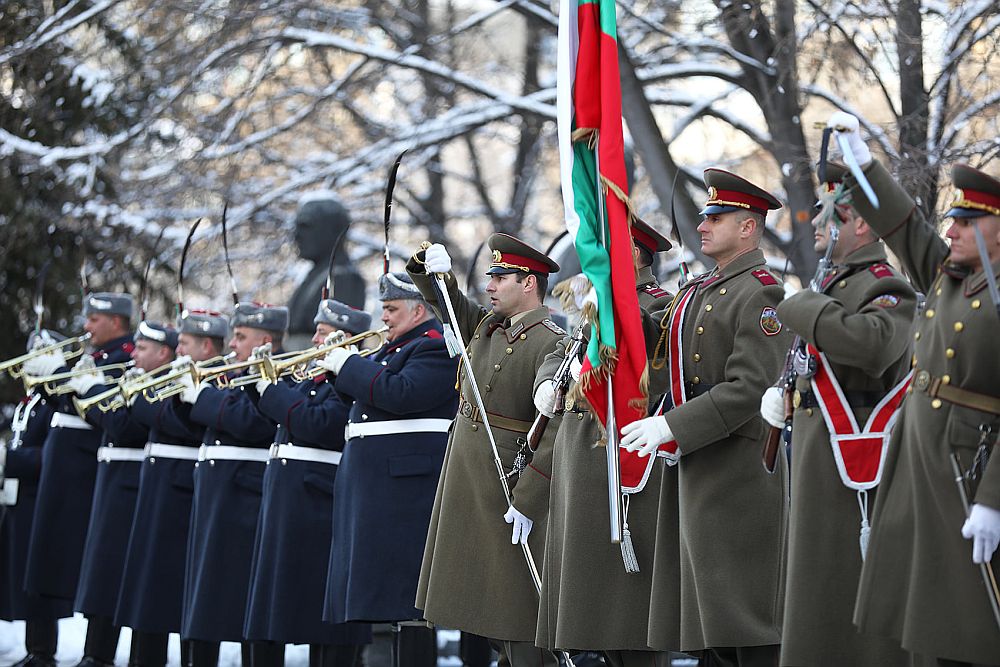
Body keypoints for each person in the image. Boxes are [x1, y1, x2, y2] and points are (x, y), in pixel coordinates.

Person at [829, 111, 1000, 665]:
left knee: (973, 616)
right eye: (952, 220)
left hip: (967, 465)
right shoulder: (949, 272)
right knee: (926, 612)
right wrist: (862, 160)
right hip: (921, 457)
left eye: (966, 222)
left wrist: (995, 501)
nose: (950, 231)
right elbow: (905, 226)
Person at [619, 170, 791, 667]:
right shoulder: (701, 288)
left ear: (749, 228)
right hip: (700, 468)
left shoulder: (760, 292)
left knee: (747, 623)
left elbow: (750, 388)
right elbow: (659, 343)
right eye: (703, 216)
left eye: (717, 217)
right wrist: (613, 302)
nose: (703, 225)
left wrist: (672, 426)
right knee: (711, 626)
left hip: (738, 469)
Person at [757, 162, 917, 666]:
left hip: (852, 476)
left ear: (863, 225)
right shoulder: (832, 283)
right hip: (816, 464)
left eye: (834, 216)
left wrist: (802, 305)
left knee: (844, 612)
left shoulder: (883, 283)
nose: (820, 226)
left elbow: (872, 346)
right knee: (814, 604)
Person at [407, 233, 563, 667]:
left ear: (529, 282)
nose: (490, 285)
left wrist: (530, 496)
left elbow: (553, 431)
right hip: (471, 480)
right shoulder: (488, 326)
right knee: (488, 612)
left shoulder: (551, 340)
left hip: (507, 485)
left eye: (500, 277)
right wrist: (430, 268)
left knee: (517, 613)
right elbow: (450, 303)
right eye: (490, 276)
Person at [533, 220, 677, 667]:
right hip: (579, 462)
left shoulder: (662, 306)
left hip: (620, 463)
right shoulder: (597, 302)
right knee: (590, 612)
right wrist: (546, 384)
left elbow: (651, 368)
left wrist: (610, 313)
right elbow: (562, 352)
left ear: (635, 254)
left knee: (625, 615)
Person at [321, 274, 458, 667]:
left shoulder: (433, 346)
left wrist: (349, 367)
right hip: (379, 489)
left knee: (408, 604)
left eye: (392, 309)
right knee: (389, 604)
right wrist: (339, 372)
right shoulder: (394, 348)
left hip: (406, 490)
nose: (384, 318)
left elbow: (402, 394)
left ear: (418, 310)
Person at [244, 299, 374, 666]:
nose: (314, 338)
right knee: (272, 604)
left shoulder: (344, 381)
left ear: (345, 338)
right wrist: (261, 387)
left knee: (321, 616)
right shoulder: (310, 378)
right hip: (288, 500)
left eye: (322, 331)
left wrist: (272, 392)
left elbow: (320, 424)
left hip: (316, 501)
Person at [23, 292, 136, 667]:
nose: (85, 328)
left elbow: (100, 412)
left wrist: (62, 374)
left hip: (91, 470)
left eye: (94, 320)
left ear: (116, 322)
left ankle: (97, 653)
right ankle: (40, 649)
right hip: (60, 471)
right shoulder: (92, 357)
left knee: (100, 568)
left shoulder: (126, 359)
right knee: (44, 558)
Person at [116, 310, 230, 667]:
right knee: (149, 588)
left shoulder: (218, 379)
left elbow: (177, 423)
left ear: (206, 345)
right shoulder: (179, 375)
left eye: (184, 343)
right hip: (161, 486)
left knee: (178, 592)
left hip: (183, 489)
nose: (177, 349)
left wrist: (141, 401)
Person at [180, 302, 290, 667]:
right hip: (217, 493)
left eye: (241, 337)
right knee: (203, 595)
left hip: (245, 494)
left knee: (248, 603)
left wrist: (203, 397)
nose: (233, 345)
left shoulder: (279, 374)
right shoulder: (230, 371)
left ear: (267, 341)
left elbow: (253, 423)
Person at [72, 321, 179, 667]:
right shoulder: (134, 379)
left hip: (137, 485)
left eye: (144, 349)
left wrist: (91, 392)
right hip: (117, 480)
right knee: (105, 575)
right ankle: (96, 654)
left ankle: (143, 658)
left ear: (164, 353)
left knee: (141, 583)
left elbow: (124, 426)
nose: (134, 355)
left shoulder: (162, 385)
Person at [0, 331, 74, 667]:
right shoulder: (29, 403)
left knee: (37, 579)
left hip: (38, 498)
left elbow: (52, 456)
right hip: (17, 498)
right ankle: (34, 649)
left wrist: (8, 460)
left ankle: (43, 651)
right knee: (20, 578)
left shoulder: (52, 403)